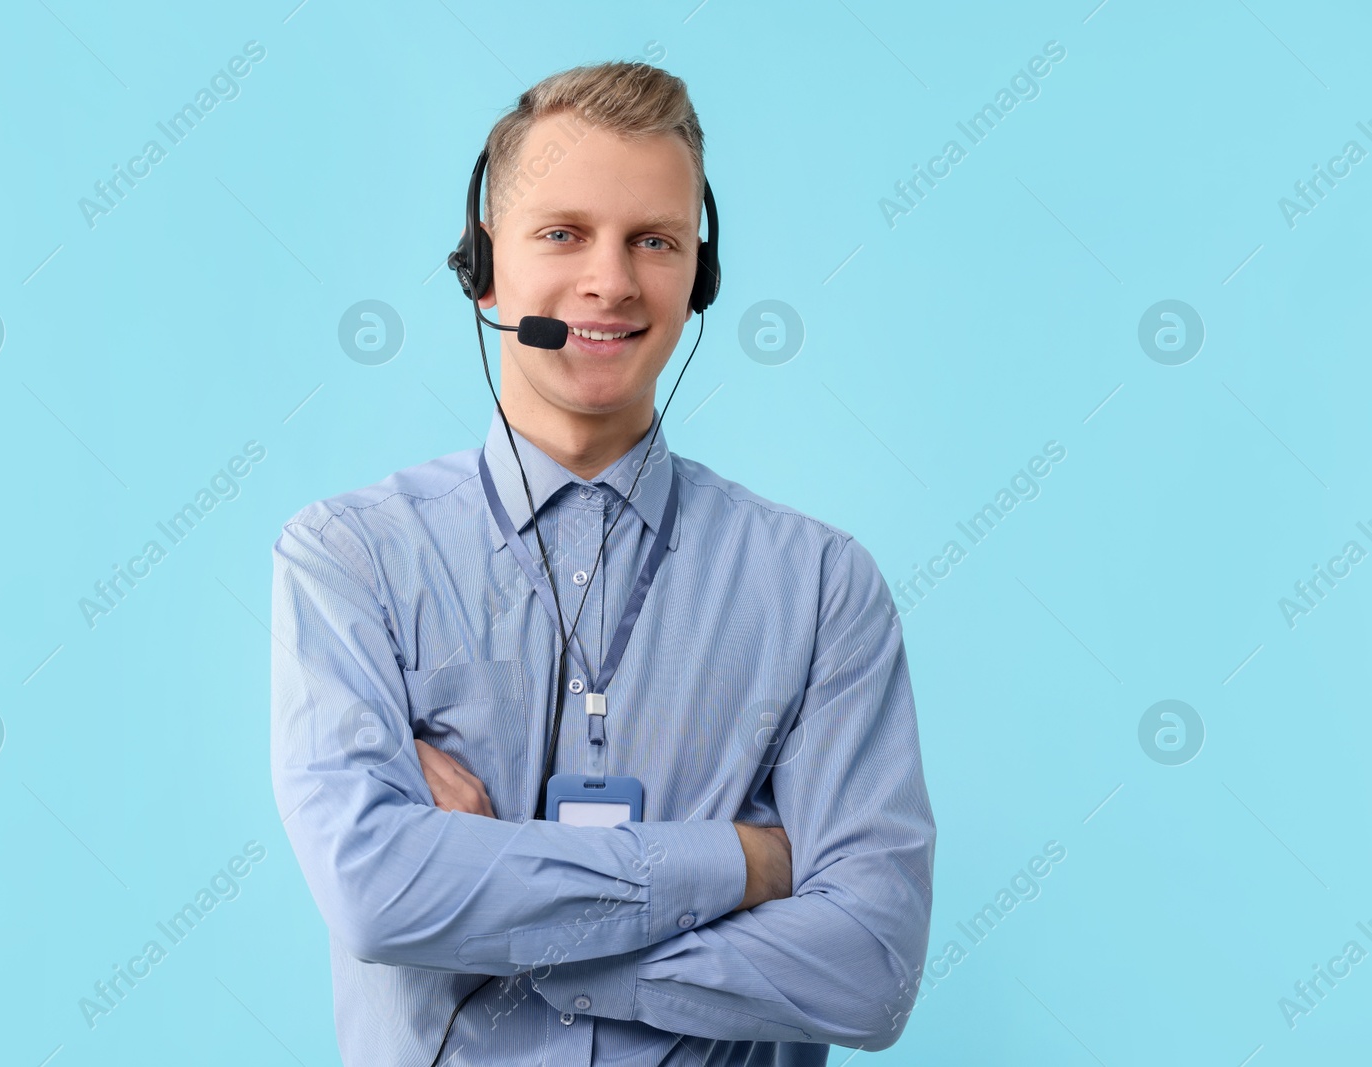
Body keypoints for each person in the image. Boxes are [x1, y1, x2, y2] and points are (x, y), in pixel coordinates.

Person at [271, 61, 935, 1066]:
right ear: (482, 268)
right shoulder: (350, 557)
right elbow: (376, 894)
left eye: (654, 241)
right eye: (563, 233)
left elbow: (868, 966)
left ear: (698, 277)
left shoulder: (820, 586)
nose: (611, 281)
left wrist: (497, 927)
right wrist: (743, 861)